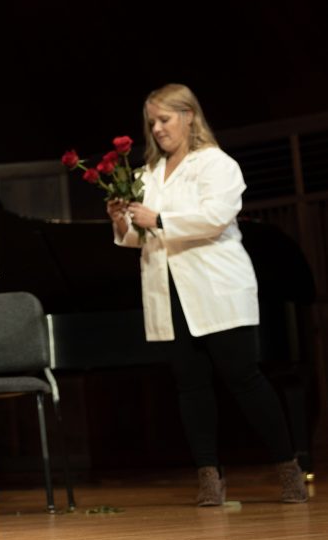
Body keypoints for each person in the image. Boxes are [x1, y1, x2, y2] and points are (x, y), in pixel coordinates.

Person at [107, 83, 308, 505]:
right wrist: (122, 221)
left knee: (244, 378)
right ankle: (209, 479)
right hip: (170, 290)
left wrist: (158, 217)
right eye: (152, 123)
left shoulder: (216, 164)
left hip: (216, 287)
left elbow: (215, 217)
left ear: (189, 116)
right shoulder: (147, 173)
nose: (158, 129)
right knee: (190, 385)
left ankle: (288, 467)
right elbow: (137, 238)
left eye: (165, 119)